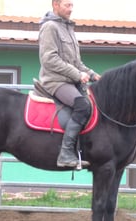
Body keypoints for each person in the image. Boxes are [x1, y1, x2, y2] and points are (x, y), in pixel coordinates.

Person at [38, 0, 101, 168]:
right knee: (83, 105)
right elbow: (49, 59)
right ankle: (65, 154)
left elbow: (77, 62)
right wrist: (77, 74)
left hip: (71, 80)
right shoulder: (50, 27)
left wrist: (92, 74)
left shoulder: (68, 28)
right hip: (55, 81)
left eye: (72, 5)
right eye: (67, 5)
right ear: (55, 4)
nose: (71, 9)